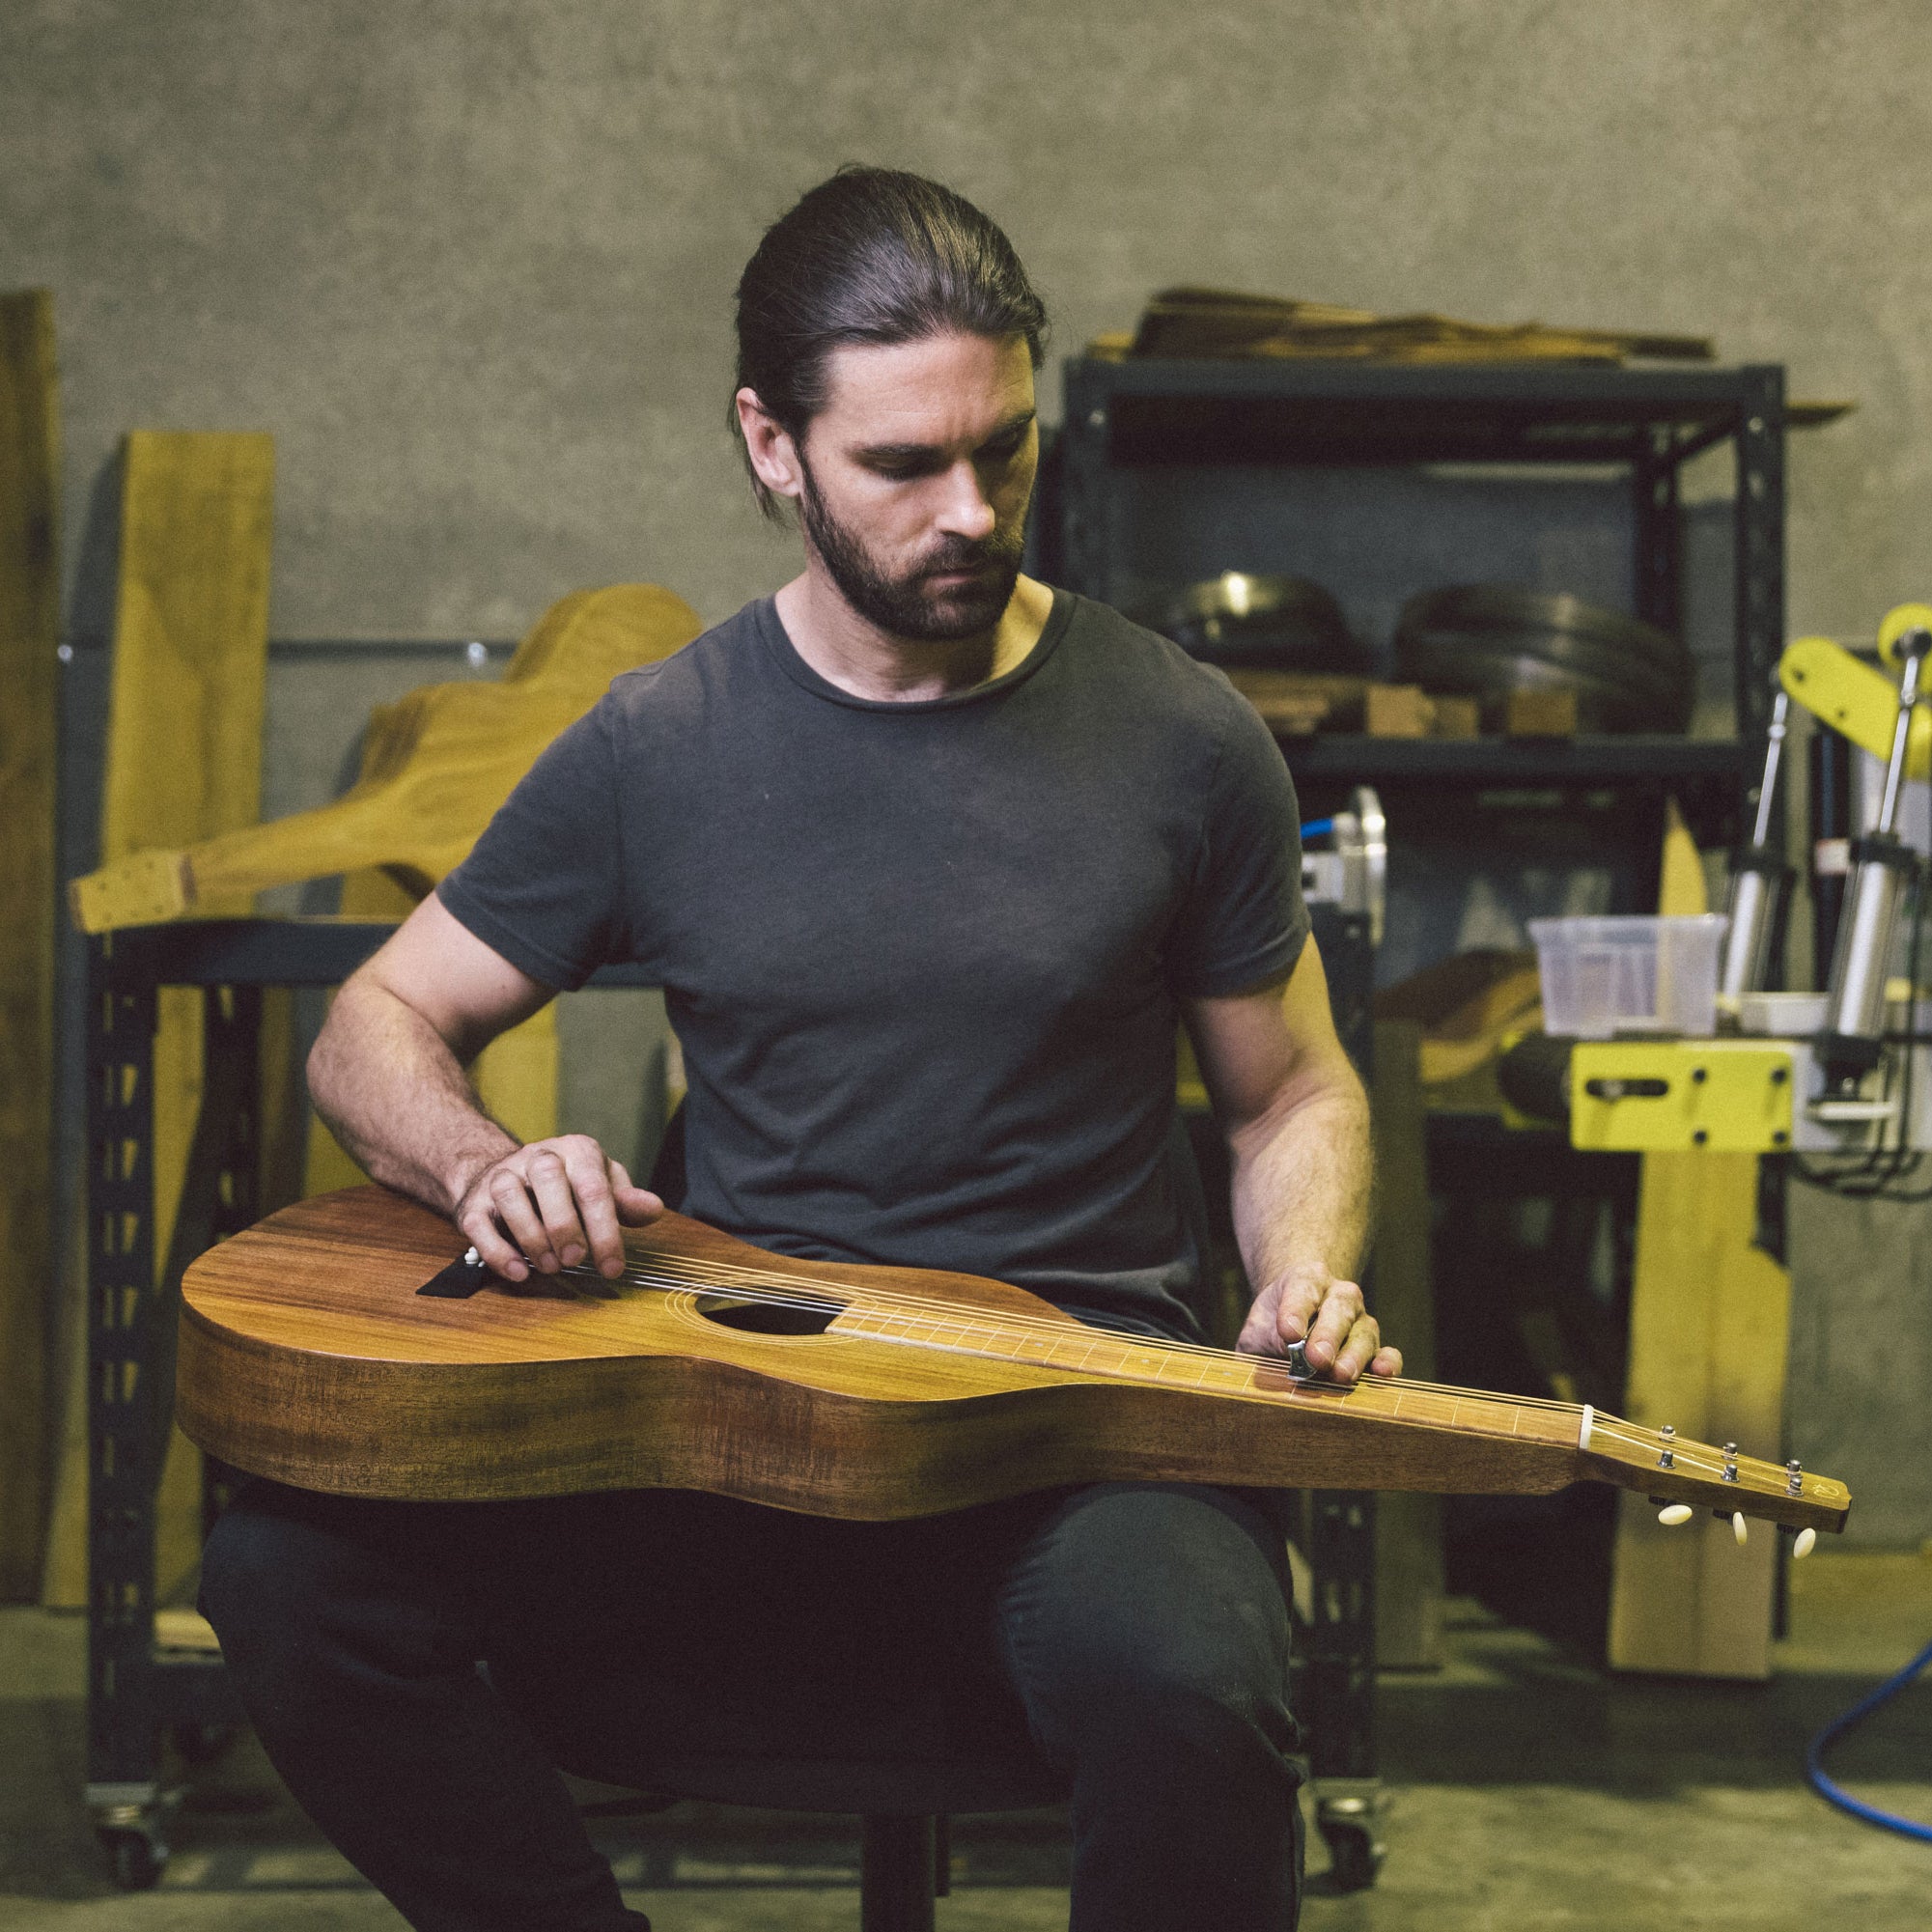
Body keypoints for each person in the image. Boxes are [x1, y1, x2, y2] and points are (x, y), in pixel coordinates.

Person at [200, 164, 1398, 1932]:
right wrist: (481, 1163)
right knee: (291, 1581)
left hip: (1069, 1430)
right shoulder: (658, 745)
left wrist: (1301, 1268)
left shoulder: (1182, 738)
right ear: (771, 444)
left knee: (1192, 1687)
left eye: (1004, 449)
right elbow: (376, 1020)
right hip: (729, 1424)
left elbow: (1291, 1083)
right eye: (903, 465)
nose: (972, 509)